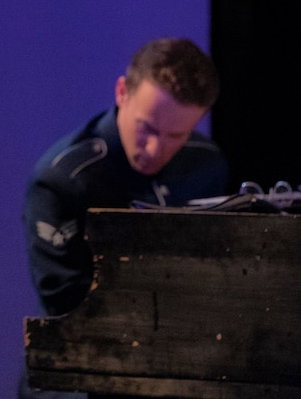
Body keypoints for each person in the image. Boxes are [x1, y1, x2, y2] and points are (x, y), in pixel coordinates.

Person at [20, 37, 227, 398]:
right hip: (81, 373)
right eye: (146, 127)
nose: (154, 149)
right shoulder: (63, 179)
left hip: (175, 367)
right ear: (121, 92)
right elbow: (67, 304)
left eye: (176, 135)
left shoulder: (206, 164)